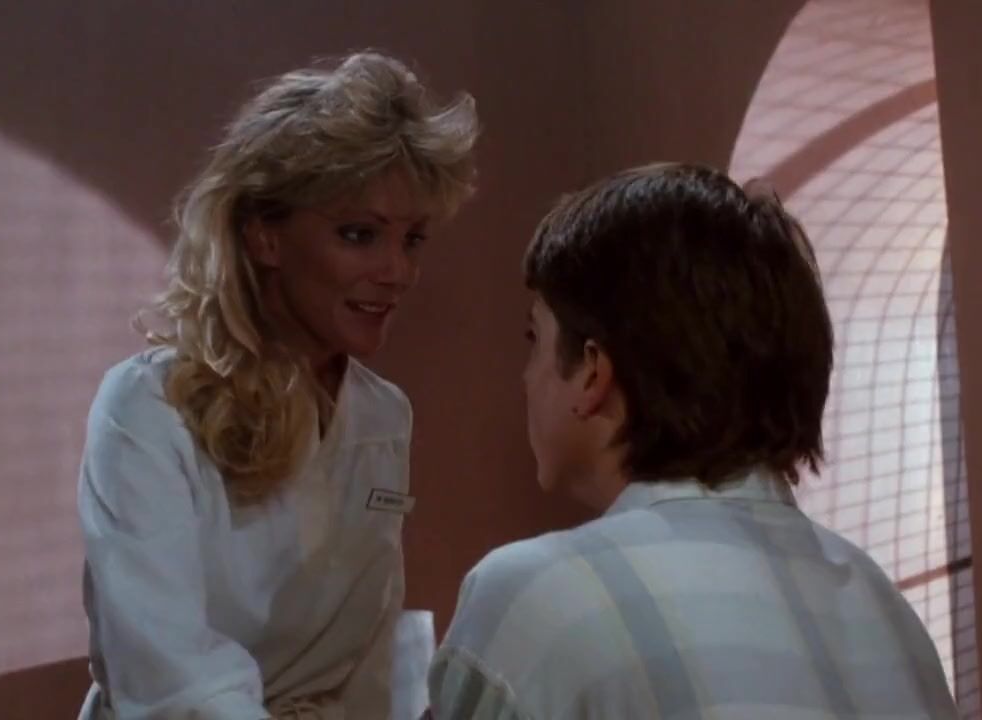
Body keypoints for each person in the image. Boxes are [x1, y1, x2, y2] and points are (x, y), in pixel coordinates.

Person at [427, 163, 958, 719]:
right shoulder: (884, 607)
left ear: (592, 372)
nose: (524, 376)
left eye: (534, 337)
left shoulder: (534, 595)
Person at [76, 51, 479, 720]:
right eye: (359, 235)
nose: (397, 272)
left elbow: (370, 654)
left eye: (413, 240)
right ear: (264, 235)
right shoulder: (148, 409)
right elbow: (172, 677)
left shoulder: (383, 413)